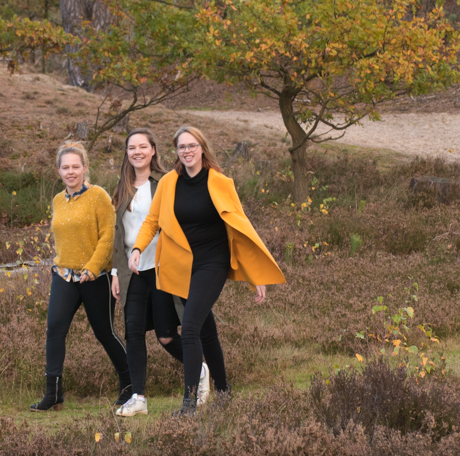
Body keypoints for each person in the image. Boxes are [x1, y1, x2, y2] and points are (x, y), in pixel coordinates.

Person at [130, 125, 286, 416]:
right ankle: (224, 392)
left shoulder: (220, 182)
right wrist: (137, 249)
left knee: (188, 328)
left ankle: (189, 404)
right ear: (176, 152)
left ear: (202, 148)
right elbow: (153, 221)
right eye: (181, 147)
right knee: (206, 330)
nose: (187, 151)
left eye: (192, 146)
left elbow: (241, 228)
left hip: (212, 263)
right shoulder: (168, 183)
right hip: (182, 264)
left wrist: (255, 276)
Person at [110, 129, 211, 417]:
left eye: (143, 147)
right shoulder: (121, 188)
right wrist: (116, 271)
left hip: (162, 267)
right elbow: (119, 235)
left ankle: (199, 368)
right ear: (127, 153)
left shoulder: (167, 182)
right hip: (133, 272)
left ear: (154, 150)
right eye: (132, 148)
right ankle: (138, 397)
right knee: (133, 333)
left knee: (167, 336)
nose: (137, 152)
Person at [31, 142, 131, 412]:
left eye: (76, 166)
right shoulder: (57, 200)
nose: (71, 172)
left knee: (105, 332)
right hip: (63, 276)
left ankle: (130, 386)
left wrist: (93, 267)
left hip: (94, 277)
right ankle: (54, 394)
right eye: (66, 167)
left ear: (85, 168)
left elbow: (108, 236)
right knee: (55, 330)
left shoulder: (98, 196)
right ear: (58, 171)